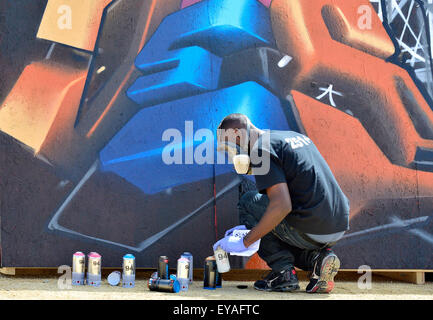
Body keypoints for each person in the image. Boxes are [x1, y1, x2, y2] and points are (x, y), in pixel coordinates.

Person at [213, 113, 350, 293]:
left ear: (237, 133)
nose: (233, 154)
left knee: (249, 202)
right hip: (336, 225)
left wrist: (246, 241)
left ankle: (283, 273)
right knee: (271, 219)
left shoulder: (261, 149)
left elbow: (281, 206)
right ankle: (317, 260)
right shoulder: (291, 137)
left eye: (231, 147)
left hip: (309, 227)